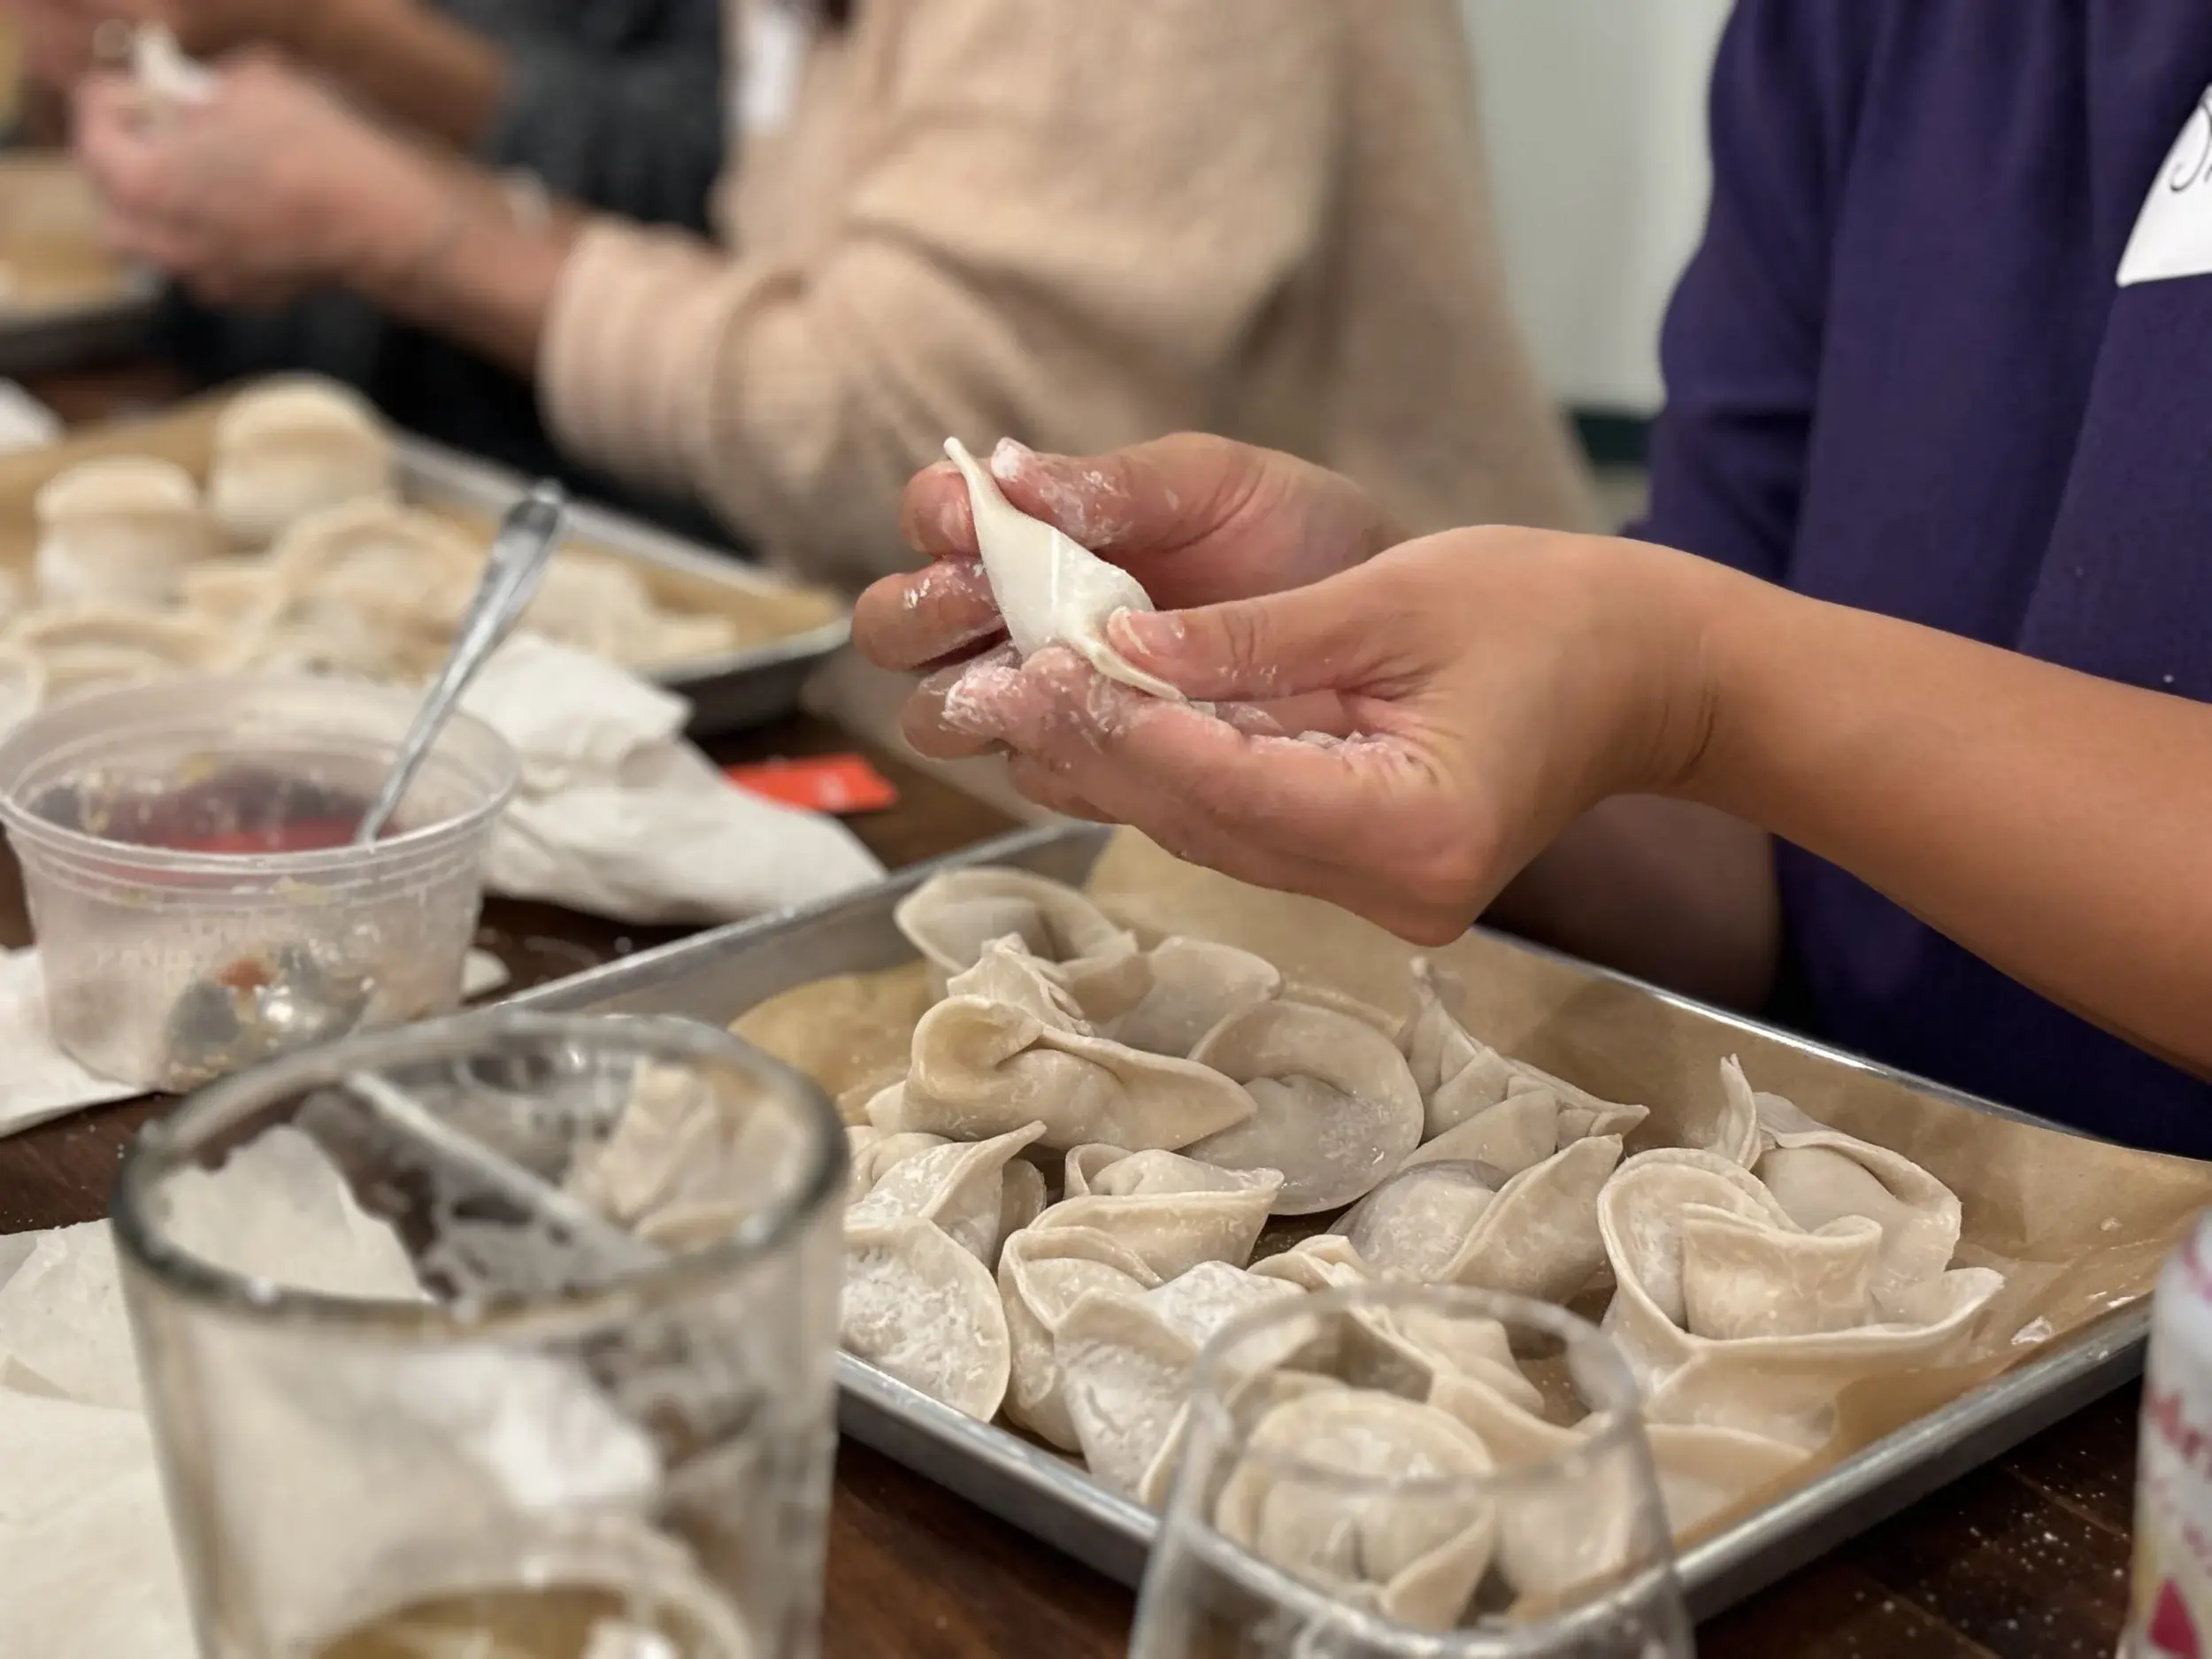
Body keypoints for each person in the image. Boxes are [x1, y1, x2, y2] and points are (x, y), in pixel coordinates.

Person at [852, 0, 2212, 1157]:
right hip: (1899, 1235)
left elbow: (1730, 692)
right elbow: (1763, 871)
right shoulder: (1866, 32)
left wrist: (1697, 677)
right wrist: (1387, 660)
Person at [65, 0, 1594, 589]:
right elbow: (790, 278)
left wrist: (404, 224)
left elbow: (914, 439)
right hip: (1088, 743)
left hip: (1452, 849)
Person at [26, 0, 723, 494]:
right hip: (235, 410)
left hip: (560, 479)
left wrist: (331, 29)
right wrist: (94, 56)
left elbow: (706, 187)